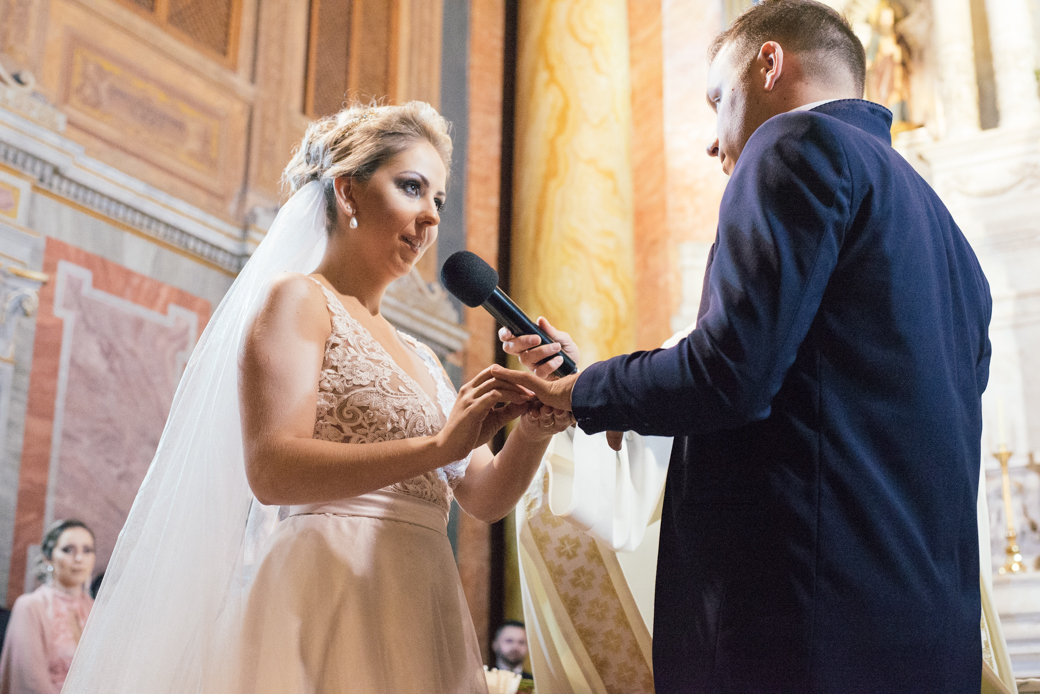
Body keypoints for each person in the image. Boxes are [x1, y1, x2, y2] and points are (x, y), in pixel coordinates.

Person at [496, 1, 992, 691]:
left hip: (803, 630)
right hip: (924, 638)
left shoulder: (795, 144)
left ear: (769, 64)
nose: (712, 139)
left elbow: (731, 373)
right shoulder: (946, 234)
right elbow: (833, 415)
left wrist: (585, 392)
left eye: (717, 98)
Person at [61, 102, 572, 694]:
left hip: (421, 597)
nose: (431, 217)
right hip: (327, 589)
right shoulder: (299, 301)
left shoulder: (425, 357)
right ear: (348, 193)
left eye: (439, 200)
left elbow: (484, 497)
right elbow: (273, 469)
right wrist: (437, 445)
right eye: (411, 187)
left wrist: (536, 424)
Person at [0, 520, 95, 694]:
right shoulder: (30, 606)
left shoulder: (97, 611)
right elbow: (30, 682)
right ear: (48, 558)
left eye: (87, 550)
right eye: (68, 550)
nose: (79, 558)